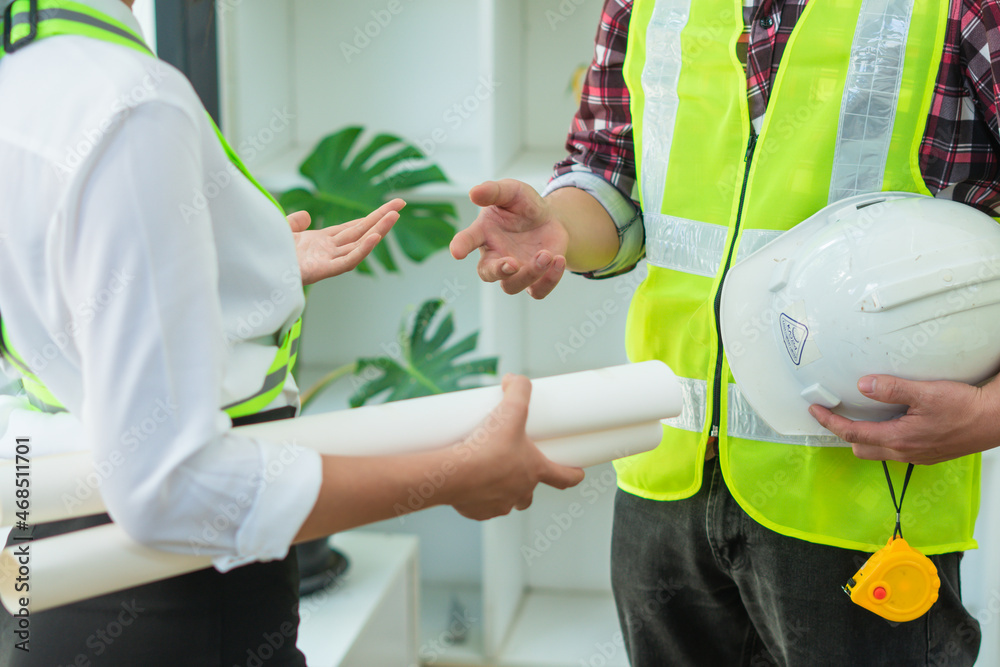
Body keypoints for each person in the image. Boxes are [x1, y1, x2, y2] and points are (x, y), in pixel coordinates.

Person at [0, 0, 584, 665]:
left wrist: (229, 270)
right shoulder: (130, 105)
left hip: (59, 557)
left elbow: (66, 299)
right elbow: (169, 486)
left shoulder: (26, 69)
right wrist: (454, 475)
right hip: (180, 600)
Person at [451, 0, 1000, 664]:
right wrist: (559, 226)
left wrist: (992, 412)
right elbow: (611, 171)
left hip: (864, 505)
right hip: (666, 476)